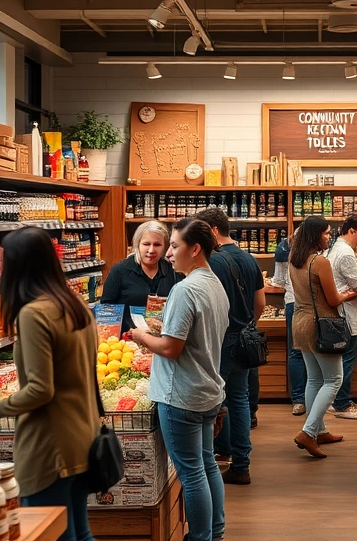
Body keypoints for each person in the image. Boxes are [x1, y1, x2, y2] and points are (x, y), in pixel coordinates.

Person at [0, 227, 99, 541]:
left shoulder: (33, 314)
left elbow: (41, 390)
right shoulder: (75, 304)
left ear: (18, 266)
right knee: (79, 533)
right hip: (83, 438)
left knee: (49, 533)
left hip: (50, 447)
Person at [132, 219, 228, 541]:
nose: (168, 254)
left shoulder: (184, 290)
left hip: (180, 394)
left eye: (174, 246)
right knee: (206, 464)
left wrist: (142, 336)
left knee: (192, 473)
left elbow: (171, 348)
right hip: (207, 390)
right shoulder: (214, 284)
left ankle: (200, 537)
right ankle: (215, 532)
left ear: (195, 249)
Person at [193, 208, 265, 486]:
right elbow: (259, 304)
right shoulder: (248, 258)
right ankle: (241, 463)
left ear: (211, 230)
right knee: (239, 398)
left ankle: (212, 460)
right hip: (243, 337)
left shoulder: (213, 262)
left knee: (212, 400)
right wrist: (247, 324)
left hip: (219, 340)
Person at [289, 215, 357, 458]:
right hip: (321, 324)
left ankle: (319, 429)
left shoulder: (294, 260)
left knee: (314, 380)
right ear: (316, 235)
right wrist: (348, 294)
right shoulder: (319, 262)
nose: (330, 237)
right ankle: (308, 432)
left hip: (299, 321)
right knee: (334, 379)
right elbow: (332, 300)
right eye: (327, 233)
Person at [324, 214, 357, 420]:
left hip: (343, 314)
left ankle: (338, 401)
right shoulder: (346, 254)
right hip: (350, 316)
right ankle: (342, 404)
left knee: (343, 360)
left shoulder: (336, 249)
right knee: (348, 360)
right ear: (351, 231)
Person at [101, 220, 181, 331]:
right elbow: (106, 310)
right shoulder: (119, 271)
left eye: (157, 244)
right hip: (127, 342)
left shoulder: (173, 271)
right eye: (146, 244)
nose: (151, 250)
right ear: (137, 244)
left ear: (165, 247)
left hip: (162, 340)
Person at [272, 229, 307, 416]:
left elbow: (278, 281)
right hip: (312, 304)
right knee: (314, 351)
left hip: (292, 302)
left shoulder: (283, 249)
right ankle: (314, 397)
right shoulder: (318, 253)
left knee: (295, 352)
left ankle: (298, 400)